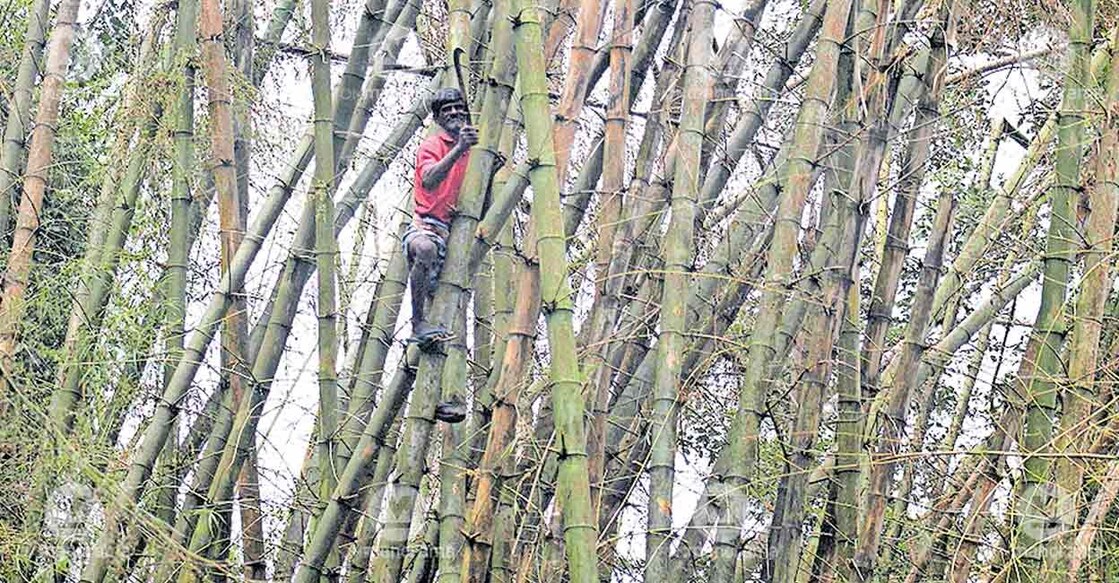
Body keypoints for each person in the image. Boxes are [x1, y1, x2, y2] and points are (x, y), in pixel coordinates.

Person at [404, 87, 477, 422]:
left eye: (459, 108)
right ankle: (417, 323)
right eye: (447, 110)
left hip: (458, 233)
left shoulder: (475, 152)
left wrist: (489, 165)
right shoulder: (433, 145)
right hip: (427, 226)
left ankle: (452, 397)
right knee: (424, 249)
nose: (454, 113)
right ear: (437, 117)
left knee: (452, 313)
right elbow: (430, 180)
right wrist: (459, 147)